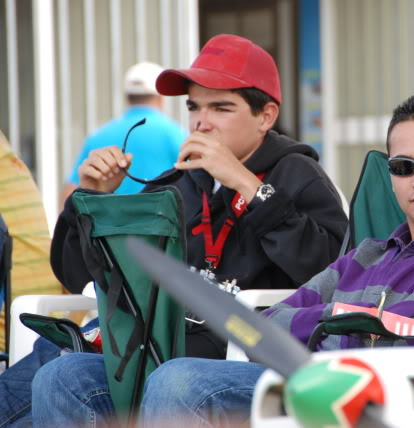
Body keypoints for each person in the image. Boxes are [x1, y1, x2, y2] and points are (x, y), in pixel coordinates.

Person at [32, 92, 414, 427]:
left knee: (178, 381)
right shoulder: (370, 253)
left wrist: (328, 318)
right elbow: (271, 321)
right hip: (294, 379)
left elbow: (404, 330)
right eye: (402, 166)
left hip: (370, 401)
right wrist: (338, 318)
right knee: (64, 375)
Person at [1, 34, 347, 427]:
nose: (202, 121)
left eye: (221, 107)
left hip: (239, 356)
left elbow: (333, 270)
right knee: (60, 374)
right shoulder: (178, 183)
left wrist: (249, 188)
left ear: (266, 116)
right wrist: (89, 200)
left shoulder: (298, 174)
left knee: (170, 378)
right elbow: (79, 276)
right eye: (194, 107)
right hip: (155, 347)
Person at [60, 61, 187, 205]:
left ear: (127, 98)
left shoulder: (98, 136)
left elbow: (70, 192)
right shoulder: (176, 134)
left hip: (112, 225)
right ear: (161, 98)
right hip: (160, 224)